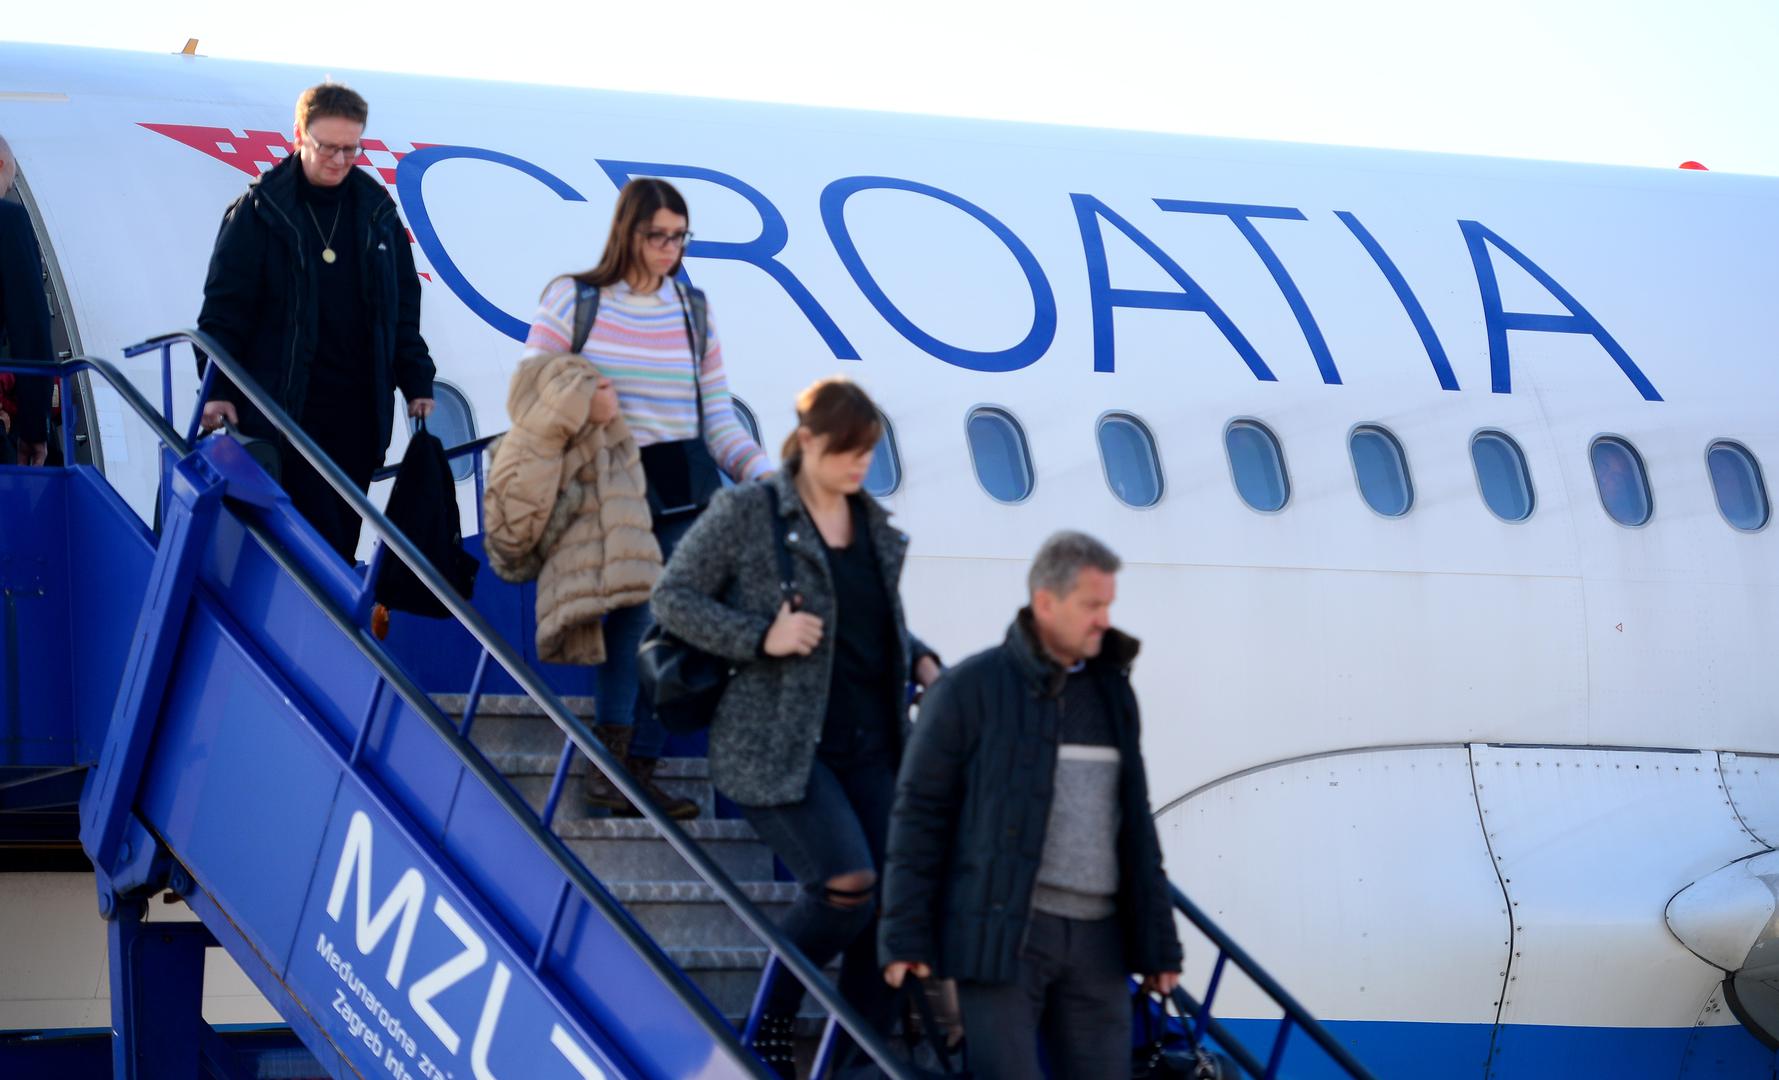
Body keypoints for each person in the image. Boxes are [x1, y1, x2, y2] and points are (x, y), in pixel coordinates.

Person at [650, 377, 941, 1076]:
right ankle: (773, 1019)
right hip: (778, 743)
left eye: (867, 452)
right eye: (846, 451)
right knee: (846, 883)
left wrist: (922, 659)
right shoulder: (749, 512)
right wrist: (761, 637)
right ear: (806, 442)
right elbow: (672, 597)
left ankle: (857, 1061)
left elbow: (870, 625)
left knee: (891, 904)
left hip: (872, 741)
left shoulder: (871, 526)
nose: (859, 465)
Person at [880, 531, 1183, 1080]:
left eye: (1108, 605)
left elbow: (1135, 824)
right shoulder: (969, 689)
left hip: (1101, 942)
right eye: (1091, 605)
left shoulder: (1114, 692)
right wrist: (903, 935)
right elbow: (919, 816)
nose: (1104, 620)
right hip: (1005, 934)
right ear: (1046, 602)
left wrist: (1160, 946)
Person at [518, 178, 769, 820]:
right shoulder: (576, 300)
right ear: (627, 232)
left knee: (692, 623)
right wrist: (588, 403)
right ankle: (613, 766)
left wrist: (765, 477)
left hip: (683, 484)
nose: (668, 248)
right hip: (607, 484)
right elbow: (530, 395)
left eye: (680, 237)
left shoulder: (693, 312)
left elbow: (718, 418)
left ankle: (635, 770)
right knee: (641, 614)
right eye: (657, 235)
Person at [195, 82, 435, 560]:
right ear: (298, 135)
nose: (340, 160)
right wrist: (215, 388)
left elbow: (402, 310)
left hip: (358, 417)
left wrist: (416, 380)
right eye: (327, 147)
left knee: (338, 545)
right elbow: (224, 311)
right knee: (300, 552)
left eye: (351, 148)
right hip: (284, 413)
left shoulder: (378, 214)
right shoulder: (259, 214)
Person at [0, 134, 55, 466]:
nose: (9, 188)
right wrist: (35, 429)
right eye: (11, 178)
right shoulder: (8, 221)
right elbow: (30, 326)